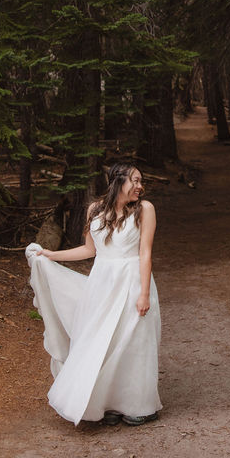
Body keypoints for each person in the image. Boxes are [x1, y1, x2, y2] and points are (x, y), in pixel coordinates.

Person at [25, 163, 161, 426]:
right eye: (135, 180)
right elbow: (89, 250)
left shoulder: (145, 210)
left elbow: (145, 253)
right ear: (118, 181)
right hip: (102, 284)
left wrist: (144, 294)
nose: (139, 186)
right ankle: (108, 403)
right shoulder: (95, 210)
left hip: (133, 281)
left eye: (141, 181)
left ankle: (137, 404)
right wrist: (52, 256)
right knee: (104, 342)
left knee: (133, 342)